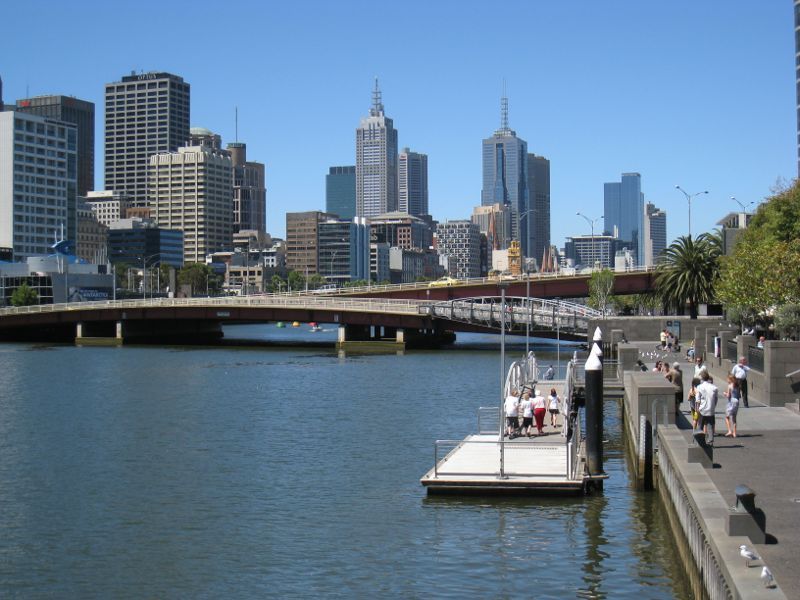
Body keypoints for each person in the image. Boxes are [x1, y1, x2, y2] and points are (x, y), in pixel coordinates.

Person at [696, 371, 719, 444]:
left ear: (702, 378)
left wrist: (697, 409)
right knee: (710, 425)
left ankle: (700, 441)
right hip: (711, 409)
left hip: (702, 409)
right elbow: (716, 399)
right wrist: (713, 406)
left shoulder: (699, 387)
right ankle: (710, 440)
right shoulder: (714, 387)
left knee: (700, 425)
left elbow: (698, 400)